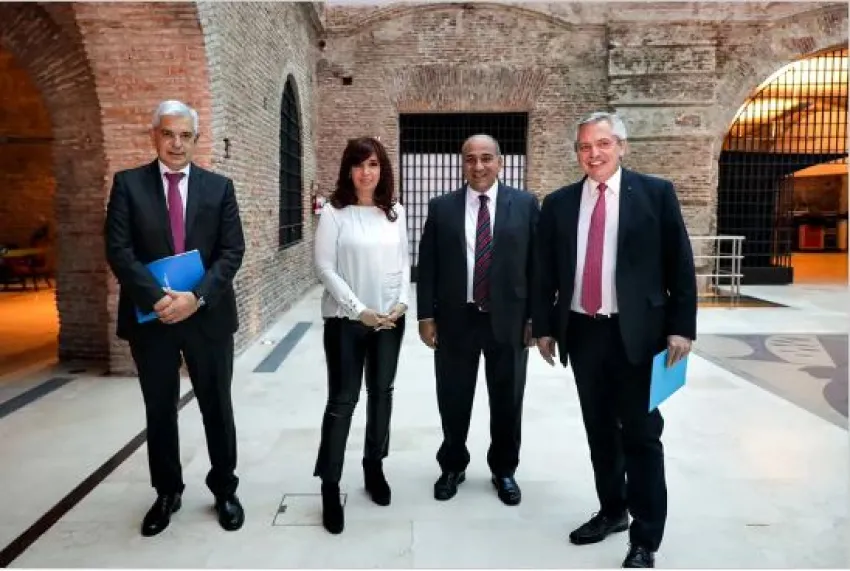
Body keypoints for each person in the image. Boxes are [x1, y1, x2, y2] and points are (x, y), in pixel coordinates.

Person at [532, 112, 697, 568]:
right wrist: (544, 326)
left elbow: (680, 262)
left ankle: (646, 537)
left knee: (641, 435)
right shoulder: (560, 203)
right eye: (585, 146)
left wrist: (682, 327)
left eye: (603, 144)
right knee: (600, 431)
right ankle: (612, 510)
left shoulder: (656, 193)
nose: (594, 154)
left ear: (621, 146)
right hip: (583, 331)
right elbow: (545, 270)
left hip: (639, 334)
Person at [104, 100, 246, 537]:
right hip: (153, 319)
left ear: (196, 139)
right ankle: (167, 492)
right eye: (168, 133)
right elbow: (118, 250)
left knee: (217, 407)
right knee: (160, 409)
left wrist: (196, 299)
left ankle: (224, 489)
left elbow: (232, 251)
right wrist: (158, 300)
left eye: (185, 135)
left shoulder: (219, 188)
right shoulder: (128, 185)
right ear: (155, 136)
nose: (176, 143)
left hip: (207, 317)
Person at [416, 134, 539, 506]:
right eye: (470, 159)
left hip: (510, 320)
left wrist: (536, 317)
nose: (478, 165)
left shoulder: (526, 204)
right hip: (457, 319)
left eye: (486, 158)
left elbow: (537, 265)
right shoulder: (442, 208)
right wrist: (426, 315)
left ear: (500, 162)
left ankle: (504, 469)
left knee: (508, 400)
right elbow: (428, 265)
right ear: (463, 163)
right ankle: (452, 465)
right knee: (453, 397)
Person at [313, 136, 410, 534]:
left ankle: (374, 466)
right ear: (348, 170)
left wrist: (402, 302)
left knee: (382, 394)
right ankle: (330, 484)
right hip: (346, 322)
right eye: (359, 165)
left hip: (388, 320)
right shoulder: (334, 213)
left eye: (373, 165)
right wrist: (359, 311)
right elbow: (324, 268)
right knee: (343, 400)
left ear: (382, 169)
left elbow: (405, 261)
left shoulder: (395, 213)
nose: (366, 173)